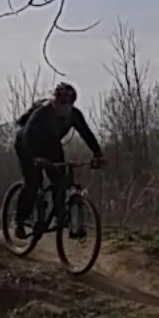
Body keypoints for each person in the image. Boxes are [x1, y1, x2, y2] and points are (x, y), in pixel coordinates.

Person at [14, 82, 103, 237]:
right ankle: (19, 221)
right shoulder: (42, 113)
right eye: (60, 103)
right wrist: (37, 159)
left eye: (68, 104)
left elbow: (87, 134)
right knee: (33, 183)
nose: (64, 108)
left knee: (61, 178)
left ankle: (60, 216)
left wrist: (98, 154)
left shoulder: (74, 115)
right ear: (55, 101)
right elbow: (28, 136)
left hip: (51, 145)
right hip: (27, 144)